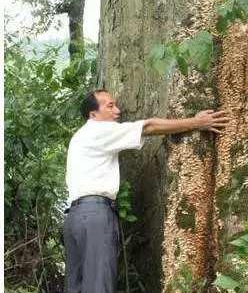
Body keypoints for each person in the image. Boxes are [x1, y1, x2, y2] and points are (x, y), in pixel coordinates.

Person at [63, 88, 230, 293]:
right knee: (99, 285)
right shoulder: (99, 130)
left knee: (77, 287)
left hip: (74, 219)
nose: (118, 110)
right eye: (110, 106)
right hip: (95, 215)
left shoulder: (80, 137)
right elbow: (149, 126)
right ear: (93, 114)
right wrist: (197, 122)